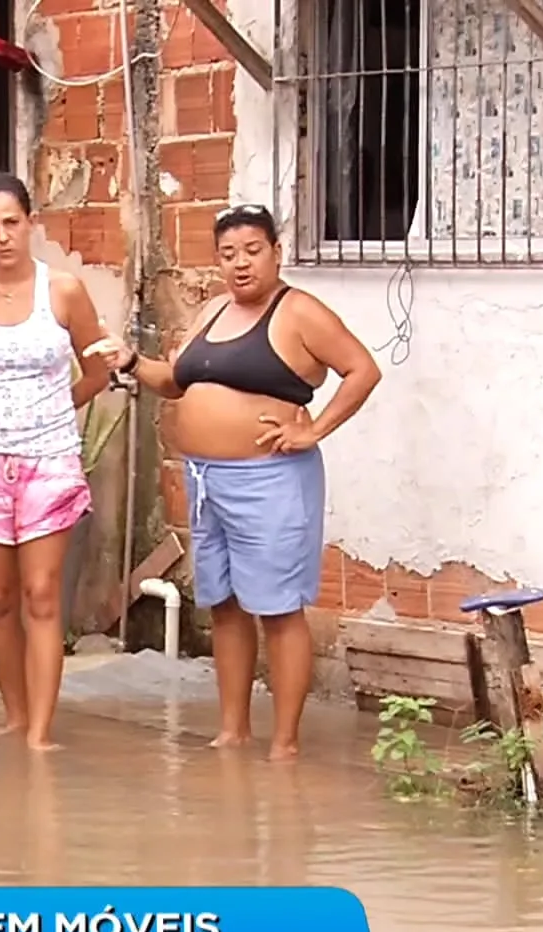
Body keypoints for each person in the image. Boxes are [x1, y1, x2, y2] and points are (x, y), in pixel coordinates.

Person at [90, 204, 381, 761]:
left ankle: (286, 745)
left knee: (277, 608)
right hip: (208, 482)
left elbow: (362, 370)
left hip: (269, 480)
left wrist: (313, 429)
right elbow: (174, 382)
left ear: (276, 251)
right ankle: (232, 730)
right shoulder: (214, 312)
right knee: (224, 604)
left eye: (252, 250)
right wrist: (130, 360)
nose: (241, 264)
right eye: (228, 254)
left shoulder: (299, 312)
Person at [0, 171, 114, 751]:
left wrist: (56, 409)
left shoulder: (62, 291)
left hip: (49, 461)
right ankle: (13, 716)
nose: (4, 236)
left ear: (31, 222)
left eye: (13, 222)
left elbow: (99, 370)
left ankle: (40, 733)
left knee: (41, 594)